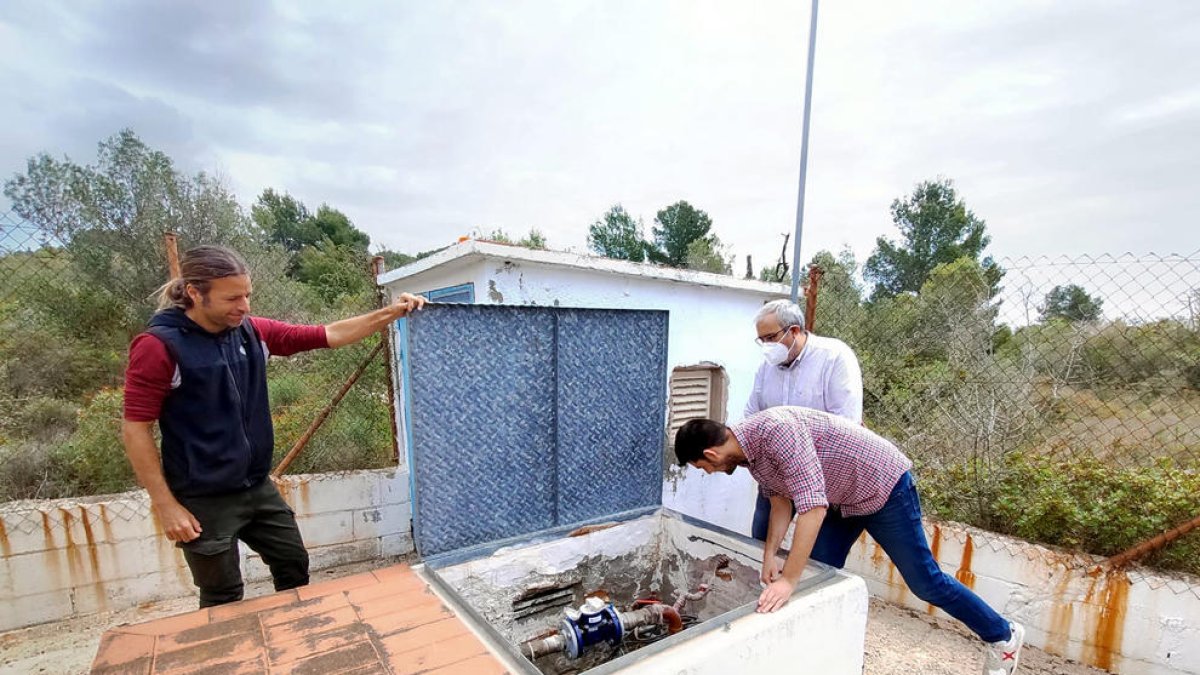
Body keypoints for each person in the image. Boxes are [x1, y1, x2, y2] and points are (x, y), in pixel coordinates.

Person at [121, 245, 426, 607]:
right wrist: (166, 505)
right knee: (222, 593)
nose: (245, 306)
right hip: (202, 496)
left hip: (255, 487)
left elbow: (328, 334)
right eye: (232, 298)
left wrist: (393, 312)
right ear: (194, 293)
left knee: (293, 564)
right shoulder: (159, 347)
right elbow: (135, 428)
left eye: (248, 295)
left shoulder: (252, 332)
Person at [674, 407, 1025, 675]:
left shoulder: (776, 432)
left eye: (704, 468)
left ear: (711, 455)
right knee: (819, 576)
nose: (710, 473)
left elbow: (812, 507)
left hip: (883, 488)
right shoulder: (749, 454)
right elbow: (780, 501)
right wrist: (770, 556)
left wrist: (789, 580)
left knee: (925, 582)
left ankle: (1002, 635)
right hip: (842, 498)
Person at [744, 299, 863, 541]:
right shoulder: (766, 368)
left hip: (826, 476)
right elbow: (751, 420)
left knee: (819, 559)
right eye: (761, 340)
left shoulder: (834, 357)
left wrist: (800, 465)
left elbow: (846, 426)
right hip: (778, 475)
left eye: (770, 337)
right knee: (760, 541)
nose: (766, 346)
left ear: (794, 331)